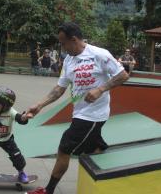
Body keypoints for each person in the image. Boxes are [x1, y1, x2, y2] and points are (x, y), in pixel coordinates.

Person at [25, 22, 129, 194]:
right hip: (79, 111)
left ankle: (48, 191)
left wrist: (100, 89)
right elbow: (60, 89)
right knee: (89, 148)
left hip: (93, 115)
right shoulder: (68, 60)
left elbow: (123, 75)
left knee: (64, 148)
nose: (62, 47)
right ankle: (100, 152)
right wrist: (39, 105)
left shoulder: (99, 54)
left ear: (73, 40)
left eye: (63, 43)